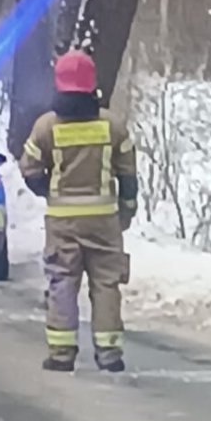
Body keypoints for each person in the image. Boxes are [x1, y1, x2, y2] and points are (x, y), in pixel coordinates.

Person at [20, 50, 138, 372]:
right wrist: (126, 211)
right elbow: (128, 175)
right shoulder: (113, 126)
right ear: (92, 85)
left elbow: (29, 170)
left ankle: (61, 354)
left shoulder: (46, 127)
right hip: (104, 222)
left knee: (62, 282)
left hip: (63, 223)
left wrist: (51, 192)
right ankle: (110, 353)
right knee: (106, 284)